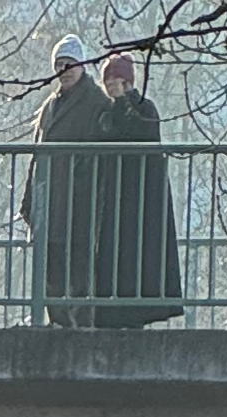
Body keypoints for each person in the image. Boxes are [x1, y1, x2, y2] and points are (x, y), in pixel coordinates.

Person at [92, 50, 185, 328]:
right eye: (108, 81)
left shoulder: (144, 107)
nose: (111, 86)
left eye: (116, 80)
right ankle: (111, 312)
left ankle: (137, 312)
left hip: (142, 198)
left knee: (140, 256)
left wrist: (127, 101)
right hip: (115, 197)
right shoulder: (106, 112)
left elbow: (141, 133)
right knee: (114, 256)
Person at [23, 38, 112, 328]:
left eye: (69, 63)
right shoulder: (50, 105)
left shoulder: (97, 102)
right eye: (59, 65)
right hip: (51, 197)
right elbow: (37, 156)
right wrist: (29, 201)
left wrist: (86, 181)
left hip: (80, 198)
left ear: (82, 65)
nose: (64, 70)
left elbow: (102, 151)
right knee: (51, 265)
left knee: (80, 264)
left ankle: (81, 325)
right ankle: (59, 322)